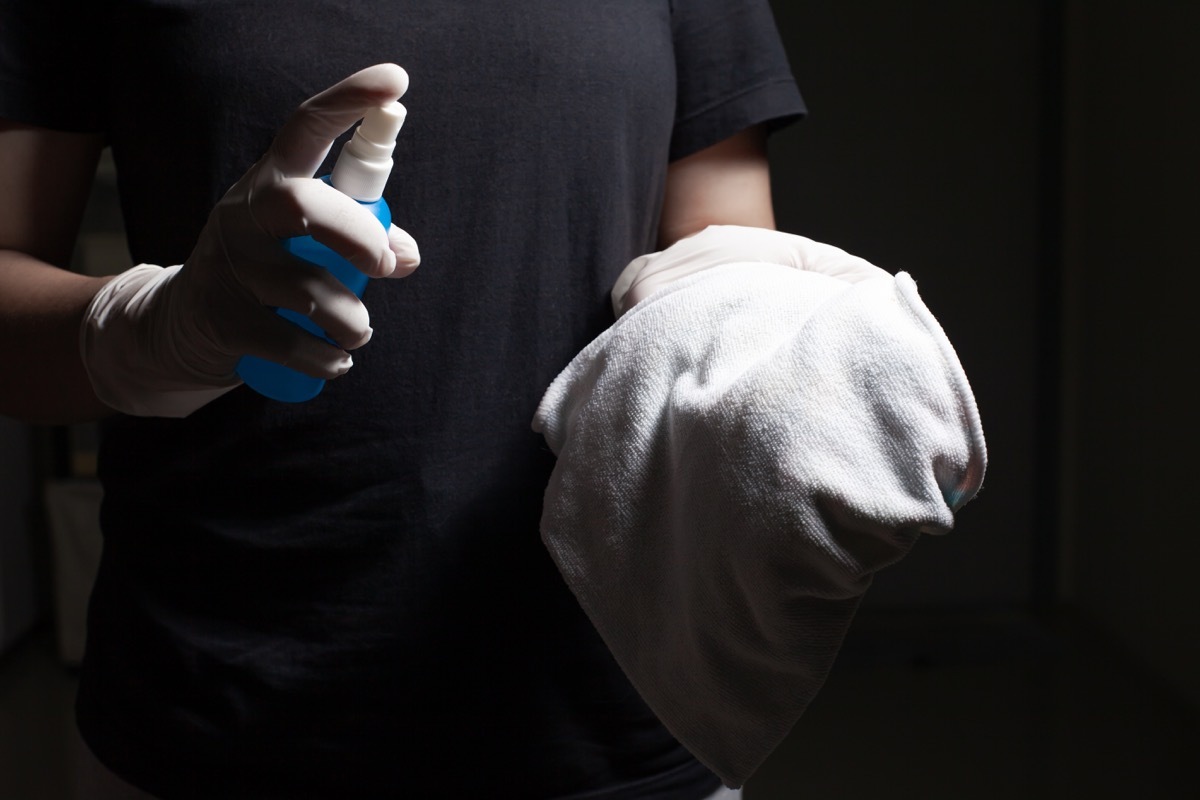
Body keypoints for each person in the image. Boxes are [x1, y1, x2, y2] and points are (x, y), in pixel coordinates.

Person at [0, 2, 805, 797]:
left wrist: (828, 374)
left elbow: (725, 269)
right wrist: (152, 331)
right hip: (222, 695)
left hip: (616, 688)